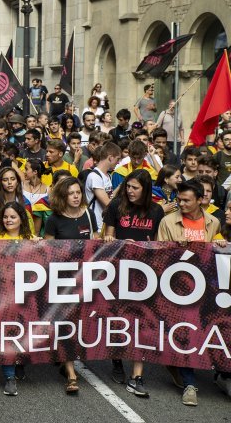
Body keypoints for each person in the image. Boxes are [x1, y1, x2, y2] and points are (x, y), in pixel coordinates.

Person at [157, 179, 227, 406]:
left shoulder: (214, 222)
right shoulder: (168, 222)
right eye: (179, 199)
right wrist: (174, 249)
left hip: (209, 290)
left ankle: (220, 374)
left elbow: (218, 253)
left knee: (213, 332)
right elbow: (156, 258)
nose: (181, 204)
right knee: (186, 333)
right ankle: (189, 383)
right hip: (179, 289)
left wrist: (222, 245)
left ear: (200, 200)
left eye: (187, 200)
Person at [102, 169, 165, 395]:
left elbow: (160, 242)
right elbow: (106, 237)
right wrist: (110, 238)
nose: (129, 191)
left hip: (145, 274)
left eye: (135, 188)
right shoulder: (116, 206)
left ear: (145, 189)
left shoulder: (157, 211)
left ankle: (137, 376)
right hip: (118, 270)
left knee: (141, 321)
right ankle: (117, 358)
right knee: (119, 319)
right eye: (128, 187)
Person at [0, 200, 38, 396]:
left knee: (25, 332)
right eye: (5, 217)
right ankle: (9, 376)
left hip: (26, 297)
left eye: (13, 217)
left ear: (21, 219)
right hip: (2, 297)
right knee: (7, 334)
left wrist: (39, 244)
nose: (8, 220)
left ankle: (20, 362)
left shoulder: (31, 238)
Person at [83, 142, 121, 231]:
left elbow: (110, 196)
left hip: (105, 223)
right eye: (117, 159)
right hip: (96, 226)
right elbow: (108, 203)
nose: (118, 162)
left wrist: (120, 187)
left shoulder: (108, 176)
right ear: (110, 158)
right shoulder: (94, 176)